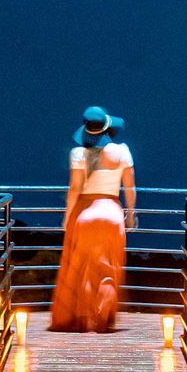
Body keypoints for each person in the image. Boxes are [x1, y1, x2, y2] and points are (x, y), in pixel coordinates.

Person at [49, 106, 135, 332]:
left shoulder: (78, 154)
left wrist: (67, 218)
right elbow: (130, 188)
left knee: (83, 267)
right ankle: (103, 320)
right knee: (108, 269)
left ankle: (83, 319)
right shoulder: (123, 152)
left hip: (85, 213)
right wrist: (131, 215)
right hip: (112, 213)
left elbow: (74, 189)